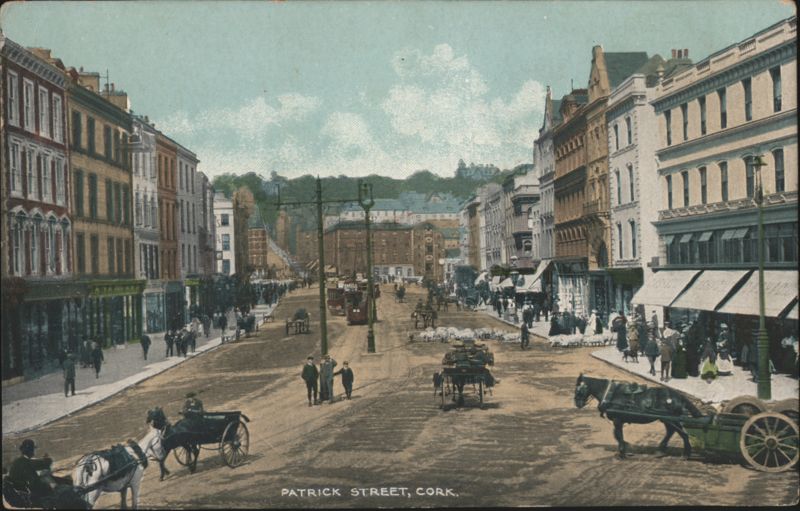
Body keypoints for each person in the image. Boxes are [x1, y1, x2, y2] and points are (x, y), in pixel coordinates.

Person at [6, 439, 69, 504]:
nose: (34, 451)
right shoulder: (26, 461)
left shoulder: (17, 461)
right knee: (52, 483)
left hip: (20, 489)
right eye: (33, 449)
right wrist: (47, 459)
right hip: (31, 491)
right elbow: (45, 463)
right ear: (30, 451)